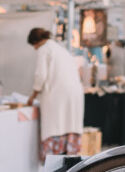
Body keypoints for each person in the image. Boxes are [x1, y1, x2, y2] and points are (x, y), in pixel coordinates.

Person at [27, 28, 84, 164]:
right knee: (68, 125)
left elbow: (40, 76)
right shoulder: (61, 49)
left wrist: (32, 96)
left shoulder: (44, 49)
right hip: (74, 94)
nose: (34, 49)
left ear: (36, 41)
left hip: (57, 95)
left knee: (55, 126)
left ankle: (53, 165)